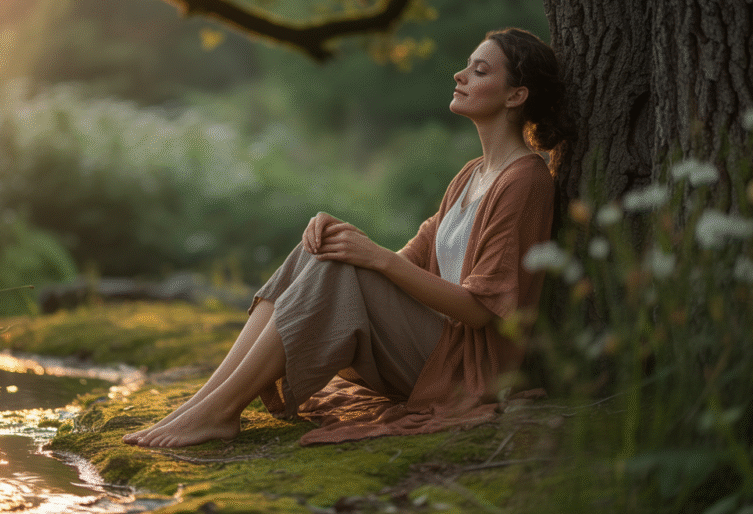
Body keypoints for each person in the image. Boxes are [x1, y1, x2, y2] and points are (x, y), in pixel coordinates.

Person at [123, 28, 570, 448]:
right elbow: (406, 261)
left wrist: (372, 258)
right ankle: (207, 404)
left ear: (516, 95)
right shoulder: (471, 175)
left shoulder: (525, 181)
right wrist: (344, 240)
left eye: (480, 70)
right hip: (430, 347)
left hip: (465, 369)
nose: (460, 74)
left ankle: (217, 411)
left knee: (338, 263)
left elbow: (481, 311)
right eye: (468, 65)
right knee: (317, 252)